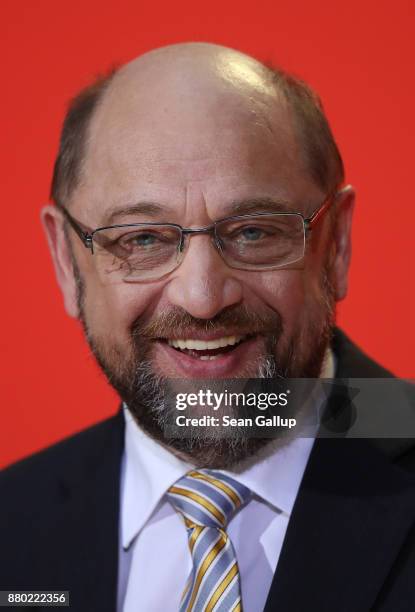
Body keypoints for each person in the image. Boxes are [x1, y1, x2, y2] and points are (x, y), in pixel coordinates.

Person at [1, 42, 414, 612]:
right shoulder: (12, 525)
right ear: (67, 261)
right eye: (142, 239)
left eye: (253, 232)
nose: (201, 298)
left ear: (336, 244)